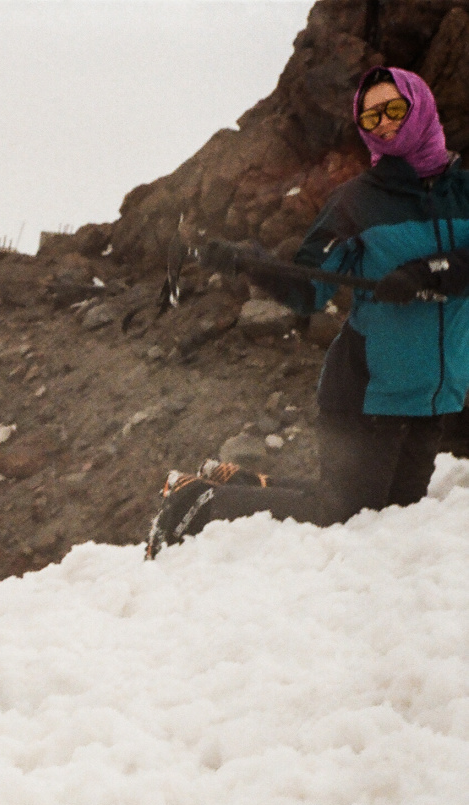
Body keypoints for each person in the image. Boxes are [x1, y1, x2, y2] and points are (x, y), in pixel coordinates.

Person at [148, 66, 469, 556]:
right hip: (367, 393)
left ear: (420, 108)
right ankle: (199, 501)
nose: (382, 123)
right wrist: (251, 262)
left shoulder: (465, 191)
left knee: (394, 519)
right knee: (343, 515)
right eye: (370, 116)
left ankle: (244, 483)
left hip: (433, 395)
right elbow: (309, 291)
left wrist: (427, 273)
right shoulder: (356, 202)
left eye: (393, 110)